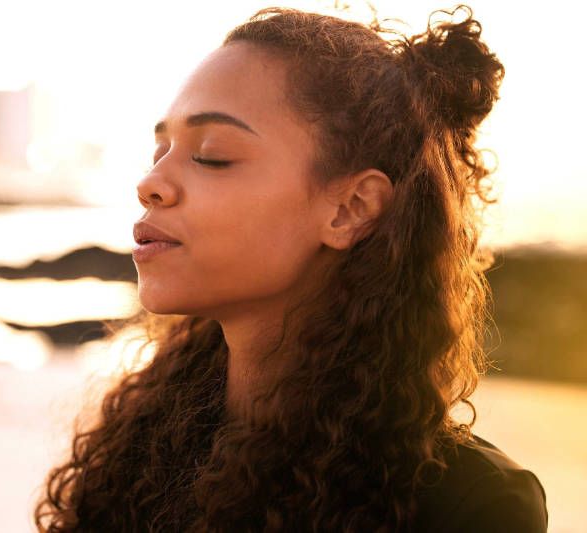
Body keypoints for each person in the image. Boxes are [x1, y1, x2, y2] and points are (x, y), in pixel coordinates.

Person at [34, 5, 548, 532]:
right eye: (160, 150)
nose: (150, 183)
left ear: (351, 208)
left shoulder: (470, 506)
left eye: (212, 155)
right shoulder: (143, 447)